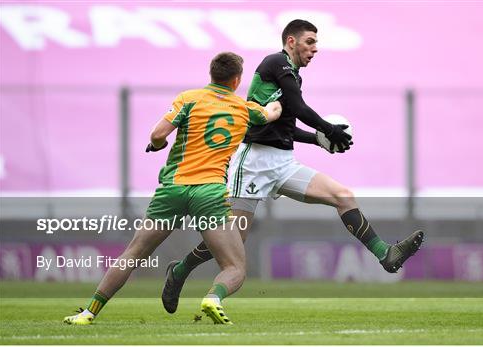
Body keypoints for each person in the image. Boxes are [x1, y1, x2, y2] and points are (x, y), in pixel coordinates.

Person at [161, 19, 424, 315]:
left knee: (343, 196)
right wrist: (327, 129)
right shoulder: (275, 63)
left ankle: (385, 255)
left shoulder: (293, 77)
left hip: (283, 164)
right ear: (290, 42)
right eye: (309, 41)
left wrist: (318, 138)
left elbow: (286, 126)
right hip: (254, 163)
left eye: (316, 42)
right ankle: (180, 270)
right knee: (232, 243)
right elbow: (298, 108)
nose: (315, 48)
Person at [63, 52, 282, 325]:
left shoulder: (188, 98)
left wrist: (157, 146)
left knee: (134, 253)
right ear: (237, 80)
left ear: (211, 74)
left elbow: (157, 135)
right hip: (209, 193)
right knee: (234, 266)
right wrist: (278, 102)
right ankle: (213, 298)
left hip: (173, 190)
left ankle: (88, 312)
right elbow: (271, 113)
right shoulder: (243, 108)